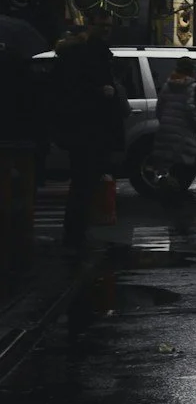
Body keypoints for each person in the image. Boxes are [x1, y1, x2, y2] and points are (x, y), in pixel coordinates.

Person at [48, 33, 126, 250]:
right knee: (84, 183)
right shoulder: (89, 71)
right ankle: (76, 232)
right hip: (90, 135)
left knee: (81, 183)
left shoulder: (67, 67)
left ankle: (76, 230)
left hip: (79, 135)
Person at [153, 59, 196, 237]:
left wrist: (165, 121)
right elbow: (191, 109)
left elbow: (160, 108)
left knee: (170, 163)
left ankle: (169, 192)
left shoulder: (167, 84)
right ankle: (175, 197)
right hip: (183, 133)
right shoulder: (191, 87)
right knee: (188, 164)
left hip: (166, 129)